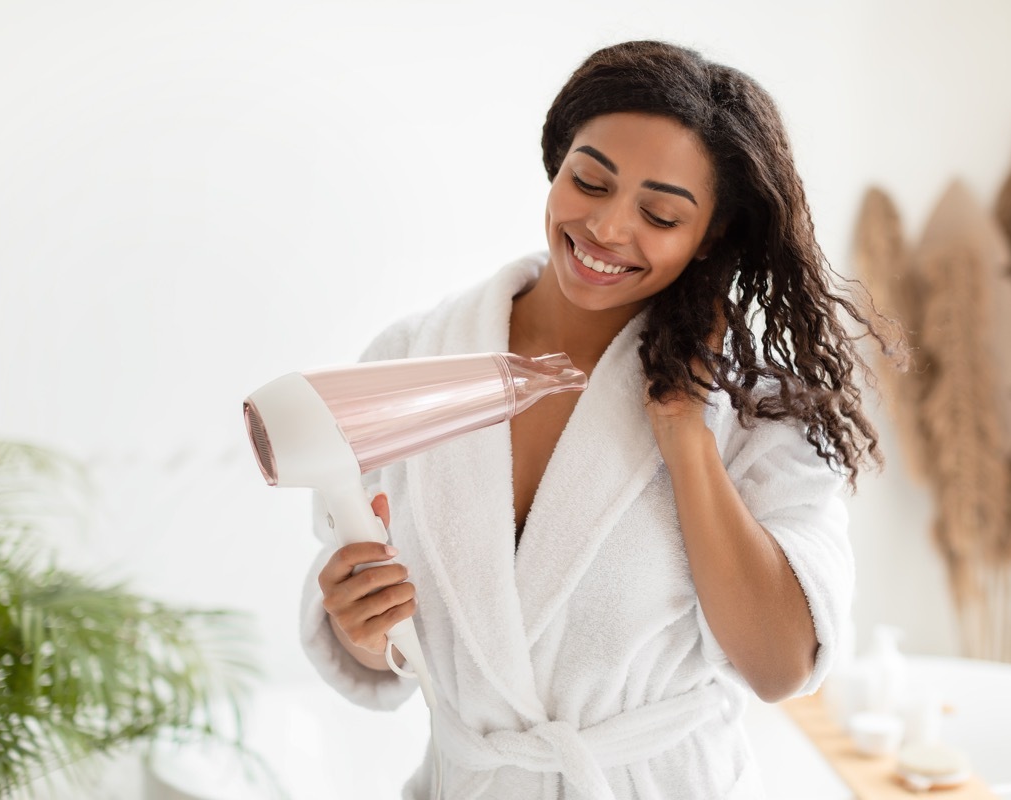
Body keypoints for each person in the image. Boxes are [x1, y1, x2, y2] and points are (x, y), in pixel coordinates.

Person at [300, 40, 893, 799]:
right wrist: (363, 629)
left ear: (710, 234)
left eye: (660, 213)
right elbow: (379, 636)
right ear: (558, 162)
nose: (609, 227)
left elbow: (780, 666)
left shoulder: (752, 408)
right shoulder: (412, 359)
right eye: (589, 180)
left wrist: (685, 436)